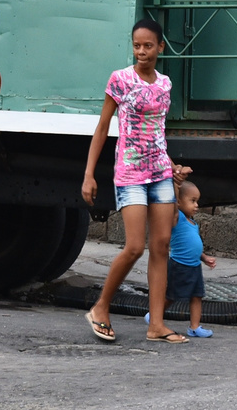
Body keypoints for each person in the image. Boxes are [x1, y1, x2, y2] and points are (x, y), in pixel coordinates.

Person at [82, 18, 190, 343]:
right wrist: (89, 174)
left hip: (159, 172)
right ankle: (101, 307)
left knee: (161, 247)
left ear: (160, 47)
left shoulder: (165, 84)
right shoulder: (120, 80)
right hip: (130, 173)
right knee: (134, 247)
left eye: (147, 45)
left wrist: (172, 167)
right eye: (136, 45)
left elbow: (157, 132)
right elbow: (102, 128)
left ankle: (156, 324)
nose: (141, 51)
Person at [145, 180, 218, 339]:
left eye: (197, 201)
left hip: (194, 266)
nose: (196, 205)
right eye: (192, 201)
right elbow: (173, 207)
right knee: (171, 296)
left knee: (197, 296)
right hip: (179, 265)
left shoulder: (194, 223)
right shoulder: (178, 219)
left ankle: (194, 327)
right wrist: (175, 187)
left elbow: (194, 246)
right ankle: (154, 316)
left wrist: (204, 258)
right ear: (178, 202)